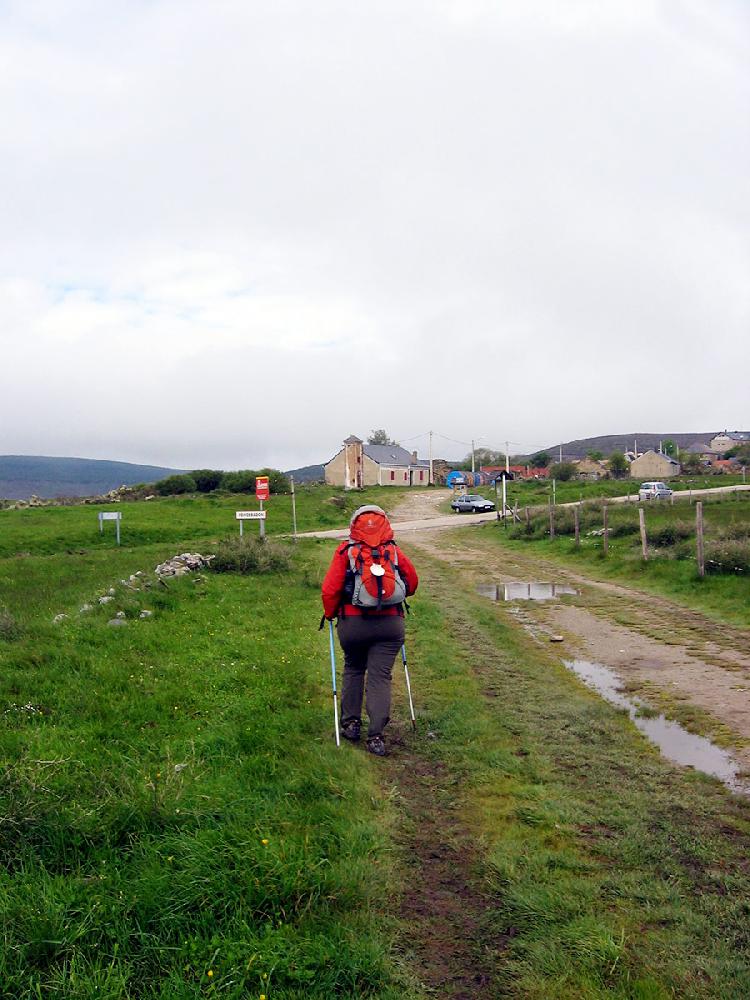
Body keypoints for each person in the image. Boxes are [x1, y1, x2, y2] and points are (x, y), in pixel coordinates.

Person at [321, 504, 418, 756]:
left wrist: (331, 614)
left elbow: (330, 590)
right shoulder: (393, 551)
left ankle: (351, 724)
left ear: (354, 526)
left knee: (353, 667)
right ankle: (376, 736)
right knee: (380, 676)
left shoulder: (346, 551)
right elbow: (413, 582)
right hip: (390, 624)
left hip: (353, 624)